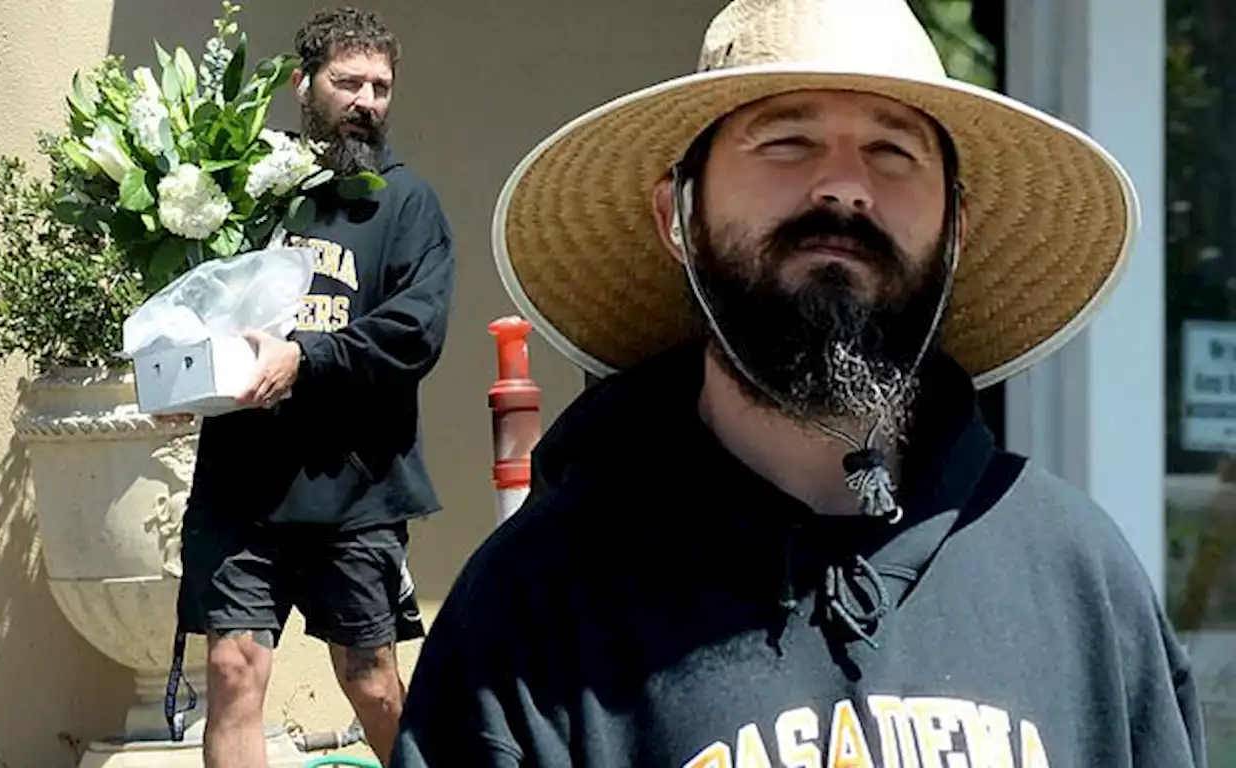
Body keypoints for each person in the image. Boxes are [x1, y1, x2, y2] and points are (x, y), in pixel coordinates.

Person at [392, 0, 1207, 765]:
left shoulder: (1079, 580)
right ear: (675, 215)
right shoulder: (533, 609)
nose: (845, 186)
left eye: (894, 150)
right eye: (786, 141)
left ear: (955, 231)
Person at [169, 7, 455, 766]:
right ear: (303, 84)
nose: (366, 100)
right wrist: (174, 375)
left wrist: (306, 358)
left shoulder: (406, 204)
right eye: (348, 81)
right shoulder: (247, 195)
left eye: (381, 86)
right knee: (232, 672)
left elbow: (416, 333)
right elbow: (191, 302)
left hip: (356, 492)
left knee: (371, 683)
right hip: (241, 487)